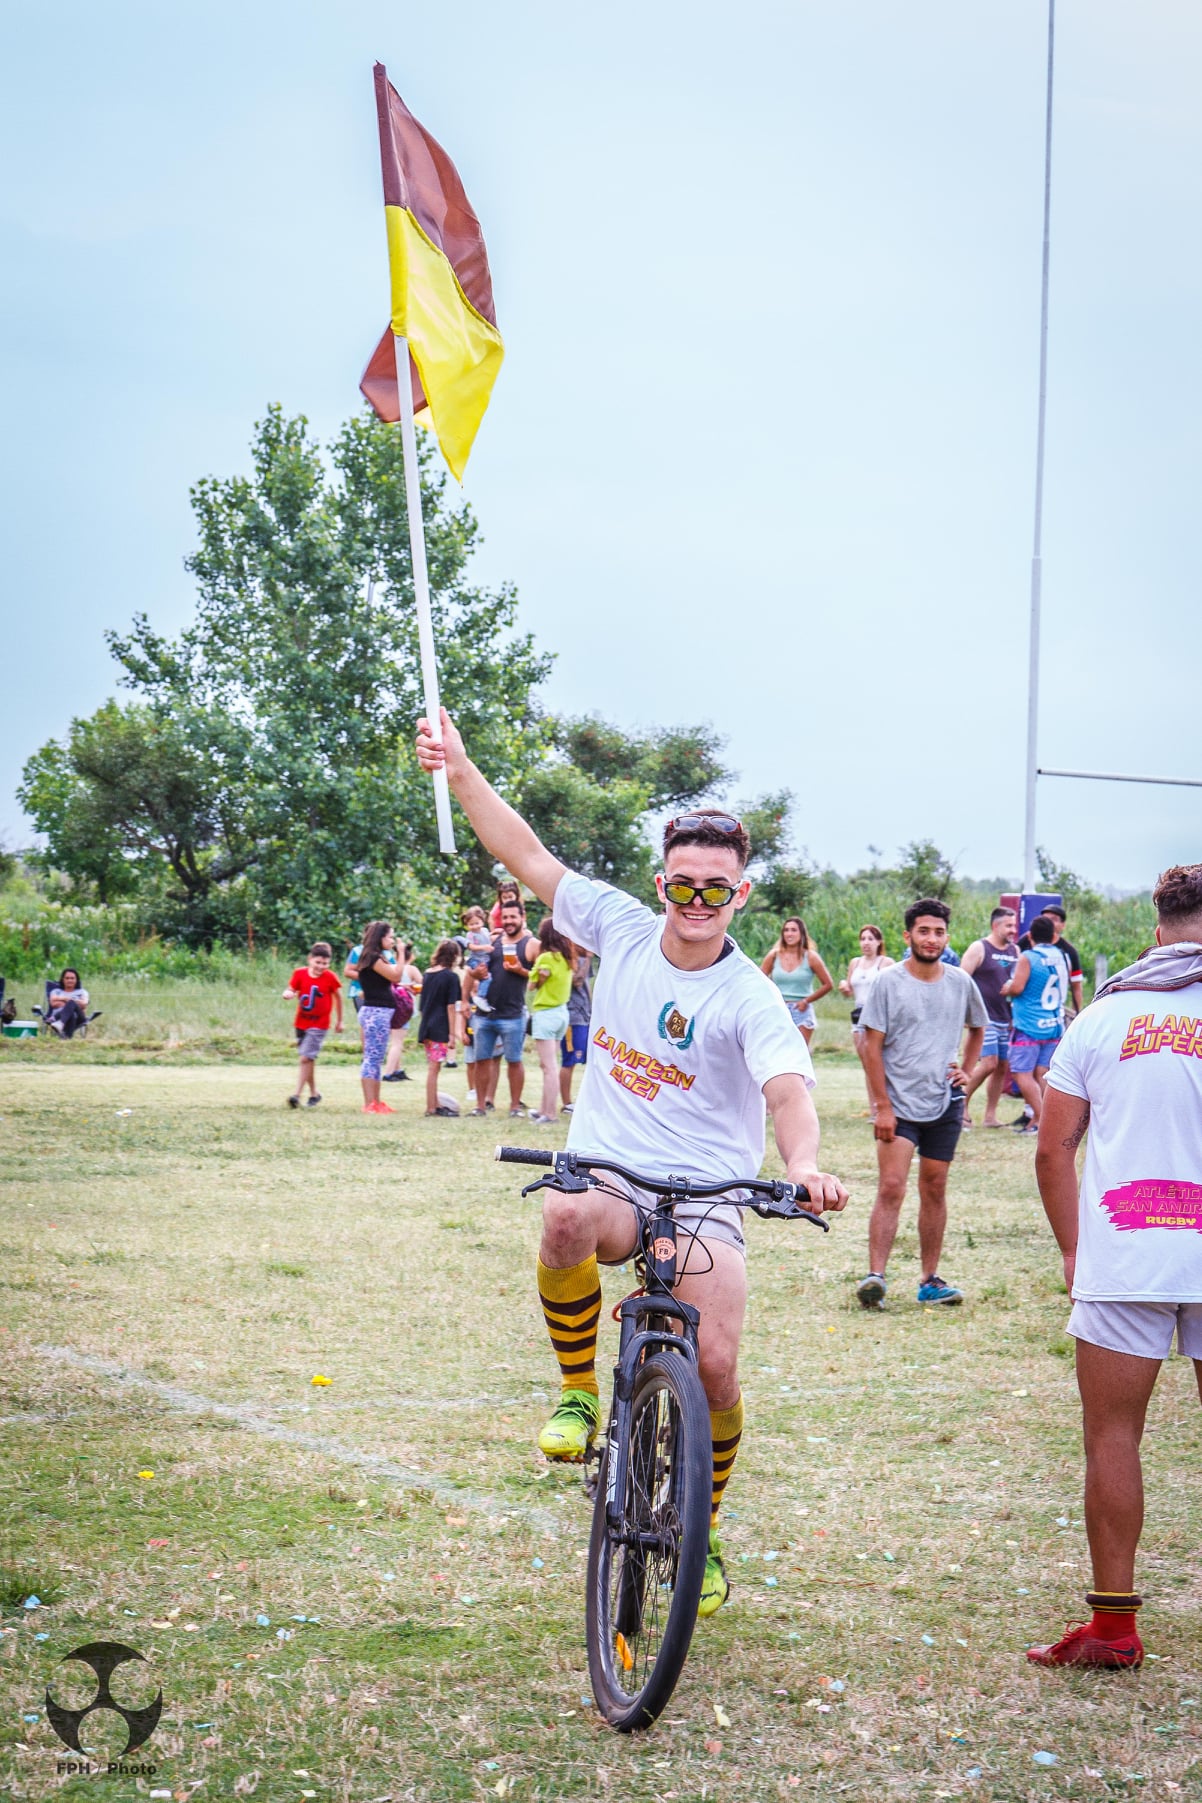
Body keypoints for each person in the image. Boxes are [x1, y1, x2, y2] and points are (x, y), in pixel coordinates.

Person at [416, 708, 847, 1620]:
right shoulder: (618, 923)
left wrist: (806, 1163)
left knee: (717, 1367)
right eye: (682, 884)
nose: (697, 901)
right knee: (564, 1212)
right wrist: (460, 770)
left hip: (708, 1194)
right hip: (611, 1168)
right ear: (661, 884)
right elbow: (527, 855)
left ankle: (705, 1527)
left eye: (715, 888)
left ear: (741, 894)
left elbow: (787, 1094)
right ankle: (578, 1394)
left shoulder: (750, 995)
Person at [1027, 864, 1202, 1671]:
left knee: (1112, 1434)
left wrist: (1074, 1247)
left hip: (1127, 1250)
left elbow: (1053, 1149)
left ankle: (1113, 1627)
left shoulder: (1102, 1018)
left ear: (1157, 929)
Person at [856, 897, 987, 1311]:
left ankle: (930, 1281)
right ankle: (875, 1277)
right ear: (908, 935)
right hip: (897, 1103)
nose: (932, 939)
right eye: (924, 931)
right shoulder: (888, 982)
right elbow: (871, 1047)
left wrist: (967, 1070)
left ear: (947, 937)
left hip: (944, 1102)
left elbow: (978, 1027)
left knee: (934, 1187)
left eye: (939, 932)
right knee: (892, 1186)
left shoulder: (960, 982)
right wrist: (882, 1106)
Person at [1002, 915, 1068, 1133]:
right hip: (1053, 1024)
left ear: (1030, 936)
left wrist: (1008, 988)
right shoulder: (1061, 955)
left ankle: (1040, 1120)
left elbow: (1018, 987)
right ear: (1054, 936)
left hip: (1029, 1025)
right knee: (1043, 1073)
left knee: (1021, 1073)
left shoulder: (1028, 957)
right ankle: (1051, 1120)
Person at [960, 907, 1021, 1128]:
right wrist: (964, 1014)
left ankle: (990, 1116)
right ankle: (959, 1107)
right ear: (995, 926)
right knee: (988, 1063)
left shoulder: (1015, 950)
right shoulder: (979, 948)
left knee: (1002, 1066)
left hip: (1006, 1018)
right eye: (1008, 925)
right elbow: (961, 981)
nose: (1013, 930)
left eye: (1014, 925)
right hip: (983, 1019)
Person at [839, 925, 894, 1110]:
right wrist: (844, 987)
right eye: (863, 939)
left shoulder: (886, 963)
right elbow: (849, 989)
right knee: (867, 1064)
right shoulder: (855, 963)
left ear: (879, 942)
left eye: (871, 939)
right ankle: (874, 1108)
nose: (866, 943)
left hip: (878, 1015)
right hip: (859, 1015)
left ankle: (888, 1105)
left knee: (880, 1062)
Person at [357, 921, 409, 1114]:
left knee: (376, 1058)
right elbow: (396, 976)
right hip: (376, 1012)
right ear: (380, 938)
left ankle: (376, 1101)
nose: (393, 941)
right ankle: (369, 1103)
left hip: (378, 1012)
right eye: (390, 937)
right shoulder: (373, 958)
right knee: (372, 1058)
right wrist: (401, 953)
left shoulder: (374, 957)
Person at [283, 942, 343, 1108]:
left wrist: (339, 1020)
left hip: (319, 1023)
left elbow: (338, 997)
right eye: (318, 962)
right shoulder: (299, 973)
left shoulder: (330, 977)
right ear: (310, 959)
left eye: (325, 963)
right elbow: (292, 988)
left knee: (305, 1058)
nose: (321, 966)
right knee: (308, 1059)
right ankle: (314, 1094)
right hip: (301, 1022)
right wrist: (288, 993)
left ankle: (296, 1095)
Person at [527, 917, 575, 1123]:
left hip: (546, 1013)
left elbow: (532, 985)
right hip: (562, 1013)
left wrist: (537, 977)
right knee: (548, 1064)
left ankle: (550, 1113)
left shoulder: (545, 958)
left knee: (549, 1067)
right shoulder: (567, 959)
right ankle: (543, 1109)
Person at [760, 917, 833, 1047]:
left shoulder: (811, 957)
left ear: (801, 933)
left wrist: (806, 1001)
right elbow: (760, 981)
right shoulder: (774, 955)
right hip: (779, 1008)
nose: (789, 934)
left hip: (801, 1010)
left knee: (799, 1050)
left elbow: (828, 984)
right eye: (786, 930)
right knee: (778, 1049)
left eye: (794, 930)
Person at [418, 940, 462, 1118]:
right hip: (440, 1027)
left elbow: (422, 1006)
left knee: (433, 1066)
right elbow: (451, 1006)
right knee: (434, 1069)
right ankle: (431, 1108)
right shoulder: (451, 977)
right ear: (454, 956)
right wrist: (452, 1033)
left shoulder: (427, 974)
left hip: (426, 1026)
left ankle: (435, 1104)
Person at [1021, 904, 1084, 1018]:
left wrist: (1076, 1016)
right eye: (1045, 918)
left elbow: (1076, 986)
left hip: (1054, 1013)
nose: (1049, 922)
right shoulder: (1025, 942)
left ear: (1063, 925)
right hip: (1028, 1012)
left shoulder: (1068, 951)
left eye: (1054, 919)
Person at [560, 944, 593, 1115]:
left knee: (588, 1059)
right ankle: (566, 1103)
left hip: (585, 1016)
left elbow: (587, 986)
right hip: (572, 1017)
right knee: (569, 1060)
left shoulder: (583, 959)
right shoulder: (567, 959)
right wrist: (588, 958)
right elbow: (577, 981)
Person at [383, 941, 422, 1082]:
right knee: (397, 1042)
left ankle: (397, 1069)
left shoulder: (389, 968)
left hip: (388, 1005)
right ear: (411, 956)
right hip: (404, 1007)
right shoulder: (411, 969)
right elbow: (423, 984)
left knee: (394, 1040)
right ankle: (388, 1072)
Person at [46, 969, 91, 1039]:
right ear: (62, 979)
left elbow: (84, 1004)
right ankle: (67, 1038)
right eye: (67, 978)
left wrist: (69, 1002)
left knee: (71, 1003)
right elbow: (53, 1003)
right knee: (71, 1013)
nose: (69, 980)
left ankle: (60, 1023)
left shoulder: (82, 992)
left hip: (79, 1018)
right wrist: (67, 1001)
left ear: (76, 980)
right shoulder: (56, 991)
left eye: (72, 978)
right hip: (65, 1017)